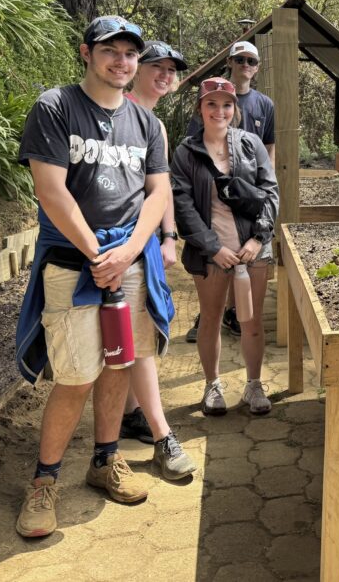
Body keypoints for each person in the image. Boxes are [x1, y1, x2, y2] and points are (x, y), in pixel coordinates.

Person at [14, 16, 177, 538]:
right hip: (72, 262)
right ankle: (43, 483)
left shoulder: (147, 124)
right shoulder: (56, 107)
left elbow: (158, 193)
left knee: (120, 365)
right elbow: (51, 189)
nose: (123, 61)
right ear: (86, 53)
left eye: (132, 53)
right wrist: (95, 253)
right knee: (76, 374)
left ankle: (106, 460)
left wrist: (128, 251)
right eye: (112, 50)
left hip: (129, 262)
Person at [114, 41, 198, 482]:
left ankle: (131, 414)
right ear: (138, 70)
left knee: (142, 326)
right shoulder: (115, 109)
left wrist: (169, 236)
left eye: (172, 70)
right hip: (115, 240)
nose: (165, 76)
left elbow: (160, 187)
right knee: (136, 332)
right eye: (157, 68)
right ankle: (157, 431)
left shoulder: (156, 127)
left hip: (144, 240)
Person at [172, 78, 279, 417]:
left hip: (252, 252)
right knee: (212, 320)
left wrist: (258, 238)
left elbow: (270, 192)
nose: (220, 111)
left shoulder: (250, 144)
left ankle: (254, 384)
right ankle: (212, 384)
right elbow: (182, 205)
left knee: (251, 321)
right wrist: (213, 247)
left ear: (235, 110)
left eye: (227, 105)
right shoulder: (186, 152)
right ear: (200, 109)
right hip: (212, 253)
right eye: (212, 104)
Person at [186, 40, 275, 342]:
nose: (245, 66)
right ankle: (210, 315)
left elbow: (270, 150)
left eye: (251, 61)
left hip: (250, 196)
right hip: (215, 198)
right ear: (230, 63)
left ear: (257, 67)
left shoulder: (264, 104)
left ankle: (237, 316)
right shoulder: (208, 102)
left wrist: (263, 188)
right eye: (240, 60)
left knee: (247, 261)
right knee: (217, 262)